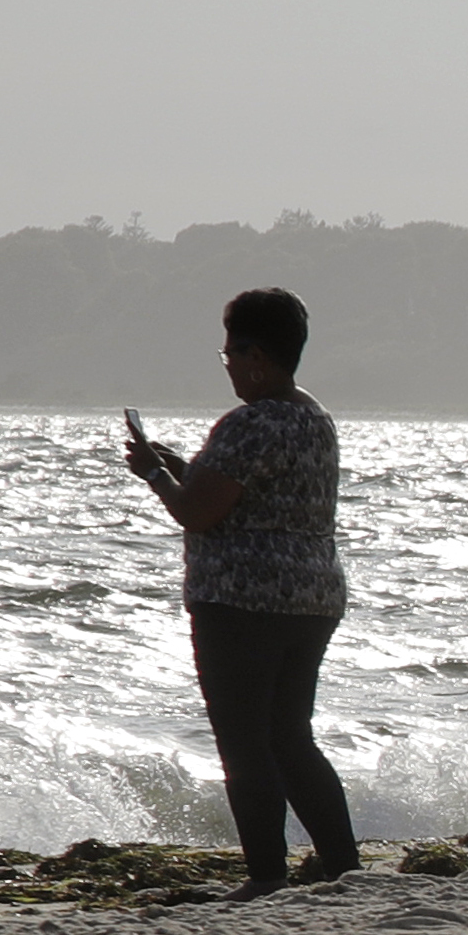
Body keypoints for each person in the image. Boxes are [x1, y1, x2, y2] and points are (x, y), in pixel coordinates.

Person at [125, 287, 362, 897]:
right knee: (290, 736)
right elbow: (245, 494)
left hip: (241, 600)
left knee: (244, 742)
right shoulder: (313, 416)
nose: (227, 362)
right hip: (310, 597)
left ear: (256, 355)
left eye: (230, 351)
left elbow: (198, 513)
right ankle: (341, 863)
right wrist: (185, 470)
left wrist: (155, 472)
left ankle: (266, 876)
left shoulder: (248, 422)